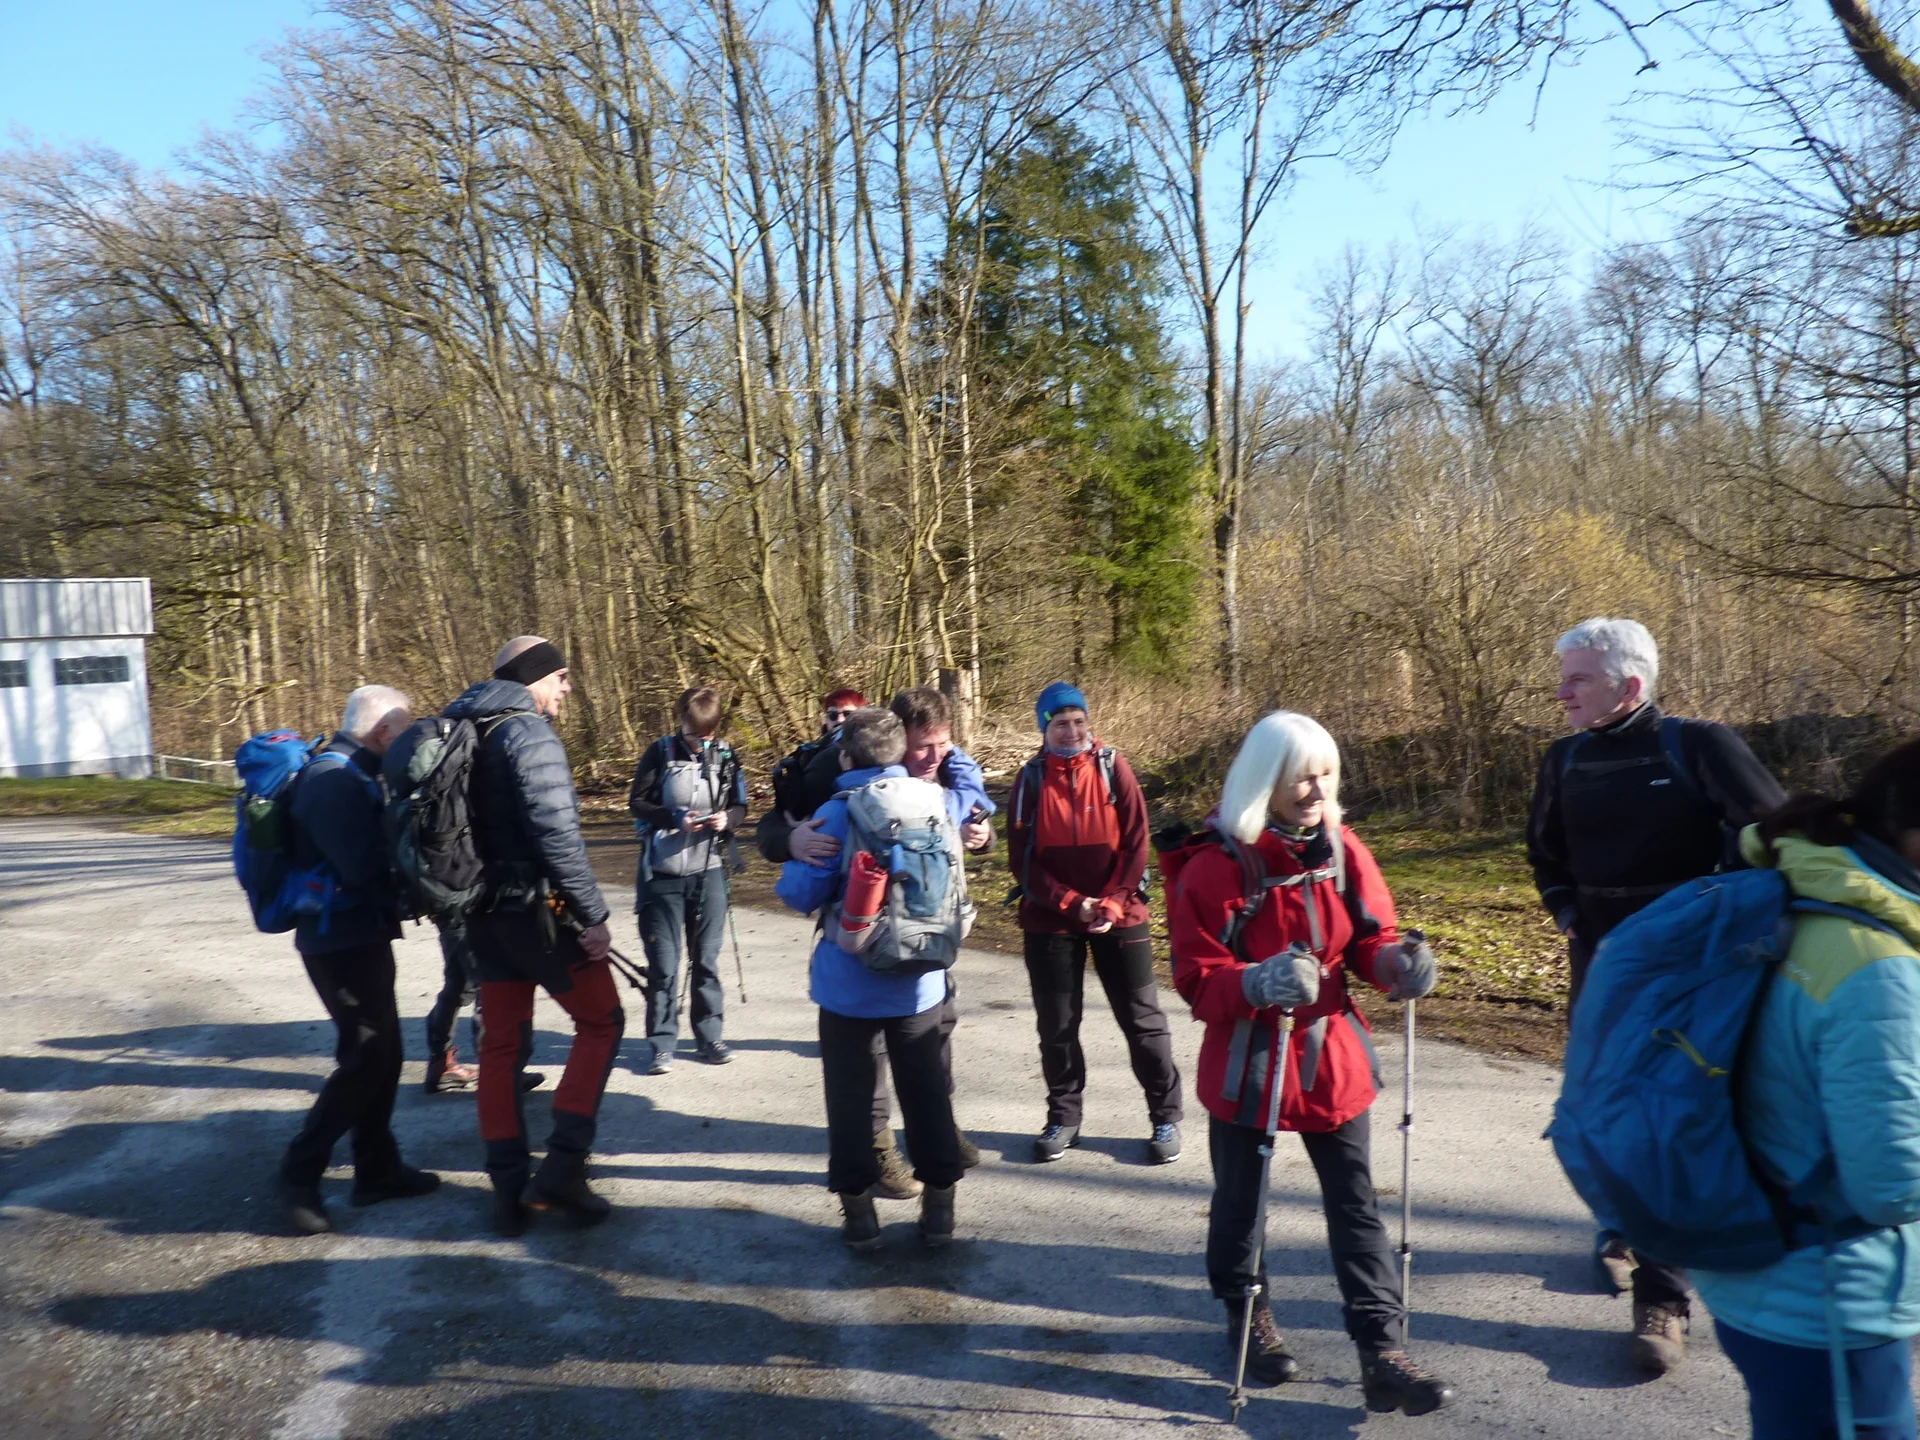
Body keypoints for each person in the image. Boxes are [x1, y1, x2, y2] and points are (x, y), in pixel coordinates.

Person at [1166, 710, 1451, 1416]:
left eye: (1327, 772)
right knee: (1243, 1202)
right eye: (1304, 774)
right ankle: (1247, 1315)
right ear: (1267, 780)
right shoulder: (1215, 866)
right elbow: (1198, 976)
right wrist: (1255, 981)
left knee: (1355, 1203)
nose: (1318, 786)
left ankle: (1382, 1350)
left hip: (1329, 1054)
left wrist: (1395, 963)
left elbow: (1368, 937)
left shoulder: (1343, 850)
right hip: (1249, 1056)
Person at [1527, 616, 1784, 1372]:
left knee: (1667, 1121)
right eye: (1563, 676)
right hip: (1601, 963)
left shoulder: (1699, 747)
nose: (1561, 691)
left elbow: (1775, 836)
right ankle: (1619, 1224)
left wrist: (1720, 912)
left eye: (1577, 678)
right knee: (1599, 1106)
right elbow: (1543, 851)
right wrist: (1570, 914)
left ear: (1628, 684)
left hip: (1689, 971)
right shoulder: (1563, 759)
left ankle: (1662, 1298)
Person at [1689, 743, 1920, 1440]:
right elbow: (1891, 1183)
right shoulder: (1877, 969)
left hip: (1759, 1272)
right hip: (1827, 1304)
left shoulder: (1800, 896)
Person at [444, 636, 625, 1236]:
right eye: (562, 676)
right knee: (602, 1022)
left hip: (480, 916)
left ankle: (506, 1190)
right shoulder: (528, 733)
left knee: (501, 1046)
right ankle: (565, 1170)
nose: (567, 687)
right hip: (537, 916)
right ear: (534, 678)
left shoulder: (459, 724)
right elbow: (557, 836)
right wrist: (593, 916)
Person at [776, 706, 966, 1249]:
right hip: (922, 980)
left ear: (844, 756)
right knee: (928, 1095)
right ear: (900, 753)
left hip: (849, 985)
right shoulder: (935, 804)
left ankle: (860, 1218)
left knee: (852, 1099)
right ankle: (940, 1214)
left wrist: (794, 845)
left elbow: (798, 894)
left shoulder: (836, 814)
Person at [278, 685, 441, 1235]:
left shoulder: (349, 774)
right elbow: (363, 870)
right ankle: (300, 1173)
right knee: (367, 1056)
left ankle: (377, 1168)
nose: (406, 743)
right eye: (405, 730)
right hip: (337, 941)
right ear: (384, 733)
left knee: (386, 1053)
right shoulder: (332, 782)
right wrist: (425, 895)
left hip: (357, 936)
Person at [1008, 681, 1182, 1164]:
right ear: (1045, 727)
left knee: (1143, 1022)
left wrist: (1111, 901)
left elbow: (1137, 842)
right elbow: (1022, 860)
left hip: (1120, 912)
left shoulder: (1113, 768)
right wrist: (1071, 903)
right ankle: (1064, 1117)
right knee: (1058, 1026)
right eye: (1061, 723)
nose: (1072, 730)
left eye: (1079, 721)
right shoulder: (1030, 781)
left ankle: (1165, 1116)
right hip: (1051, 919)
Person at [628, 685, 748, 1073]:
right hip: (661, 874)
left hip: (709, 870)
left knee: (707, 959)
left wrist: (726, 820)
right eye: (696, 734)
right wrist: (672, 817)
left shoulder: (727, 755)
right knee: (664, 965)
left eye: (709, 734)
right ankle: (662, 1043)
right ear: (680, 722)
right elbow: (637, 803)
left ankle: (709, 1037)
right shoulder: (659, 752)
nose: (702, 743)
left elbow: (741, 805)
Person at [422, 921, 547, 1096]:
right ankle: (499, 1073)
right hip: (472, 913)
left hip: (449, 912)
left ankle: (440, 1063)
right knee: (487, 990)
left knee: (457, 985)